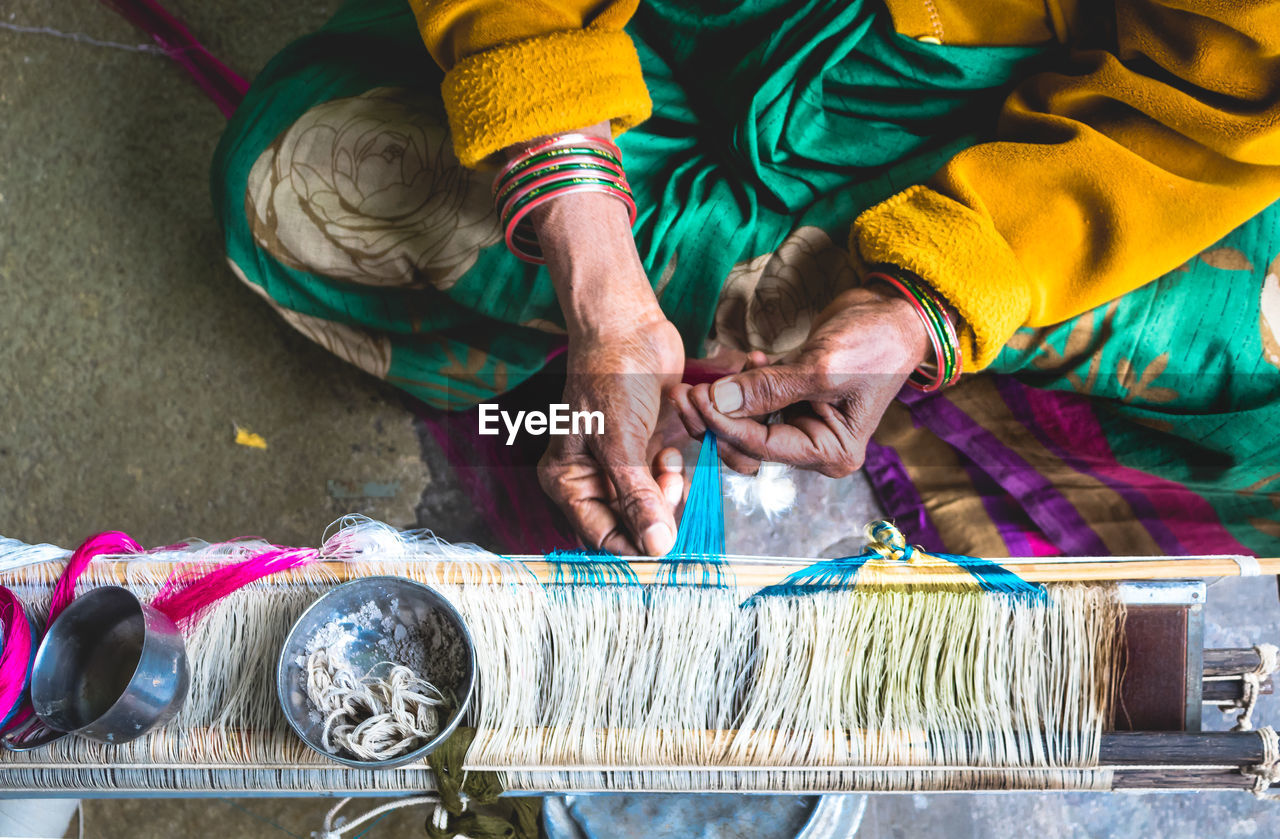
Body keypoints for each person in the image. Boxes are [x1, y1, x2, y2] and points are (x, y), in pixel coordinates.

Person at [213, 0, 1280, 559]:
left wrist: (930, 295)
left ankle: (728, 321)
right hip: (656, 36)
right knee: (307, 179)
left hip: (1042, 134)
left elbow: (1204, 105)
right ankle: (668, 323)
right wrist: (598, 279)